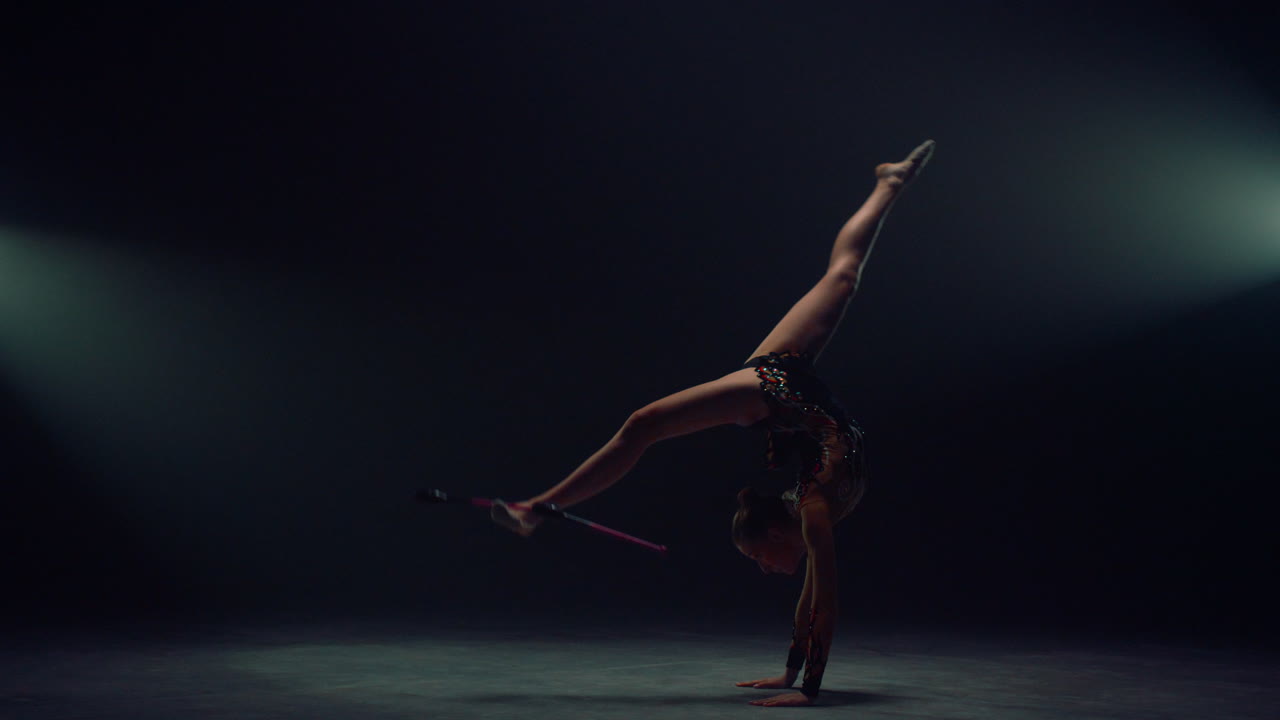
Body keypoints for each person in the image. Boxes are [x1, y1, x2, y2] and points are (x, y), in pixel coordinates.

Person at [491, 140, 936, 706]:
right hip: (779, 391)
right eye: (758, 559)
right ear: (777, 534)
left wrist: (798, 681)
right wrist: (803, 685)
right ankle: (537, 508)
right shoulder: (814, 508)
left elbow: (811, 599)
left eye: (756, 560)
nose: (763, 570)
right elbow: (822, 598)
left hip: (785, 393)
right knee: (645, 422)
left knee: (842, 277)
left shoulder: (808, 507)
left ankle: (889, 184)